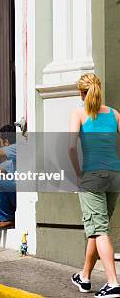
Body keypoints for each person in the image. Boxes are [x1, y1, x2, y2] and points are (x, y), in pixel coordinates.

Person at [69, 73, 120, 297]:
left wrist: (78, 174)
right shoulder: (115, 115)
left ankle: (112, 283)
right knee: (98, 229)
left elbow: (71, 148)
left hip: (91, 176)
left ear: (81, 93)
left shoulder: (79, 113)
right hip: (114, 176)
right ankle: (85, 277)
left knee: (99, 229)